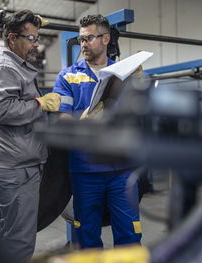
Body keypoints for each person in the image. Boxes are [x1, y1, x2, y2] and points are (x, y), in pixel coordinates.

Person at [52, 14, 142, 248]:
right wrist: (82, 120)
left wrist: (138, 92)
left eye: (89, 38)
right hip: (85, 171)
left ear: (105, 39)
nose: (83, 44)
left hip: (121, 169)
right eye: (81, 39)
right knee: (87, 238)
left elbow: (136, 119)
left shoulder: (124, 74)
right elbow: (62, 120)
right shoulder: (67, 77)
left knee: (130, 235)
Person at [0, 10, 61, 261]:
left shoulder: (17, 65)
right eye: (30, 38)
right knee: (19, 241)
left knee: (17, 235)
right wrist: (40, 104)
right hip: (14, 169)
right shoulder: (4, 67)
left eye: (37, 38)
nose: (35, 44)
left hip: (23, 165)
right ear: (12, 38)